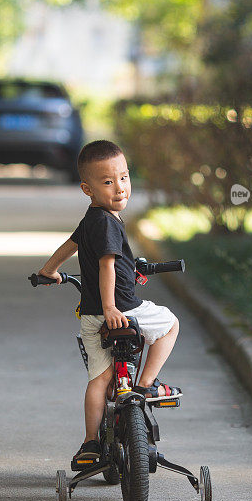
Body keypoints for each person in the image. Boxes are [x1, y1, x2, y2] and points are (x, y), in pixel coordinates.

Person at [37, 139, 181, 466]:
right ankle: (145, 385)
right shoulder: (107, 222)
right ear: (87, 188)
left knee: (99, 379)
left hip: (91, 316)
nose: (119, 188)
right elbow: (106, 265)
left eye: (124, 178)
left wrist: (50, 271)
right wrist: (112, 308)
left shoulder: (92, 218)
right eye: (108, 182)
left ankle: (90, 444)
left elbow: (70, 244)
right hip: (122, 311)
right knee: (170, 324)